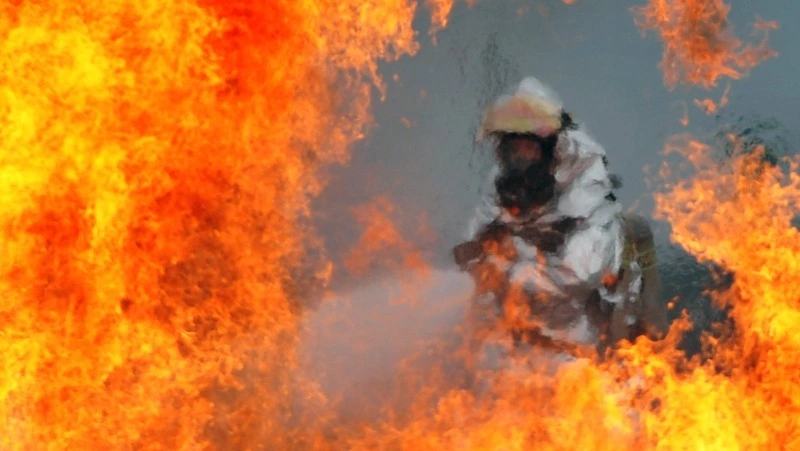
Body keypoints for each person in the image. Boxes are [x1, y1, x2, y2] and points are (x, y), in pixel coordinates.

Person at [454, 77, 668, 355]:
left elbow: (572, 282)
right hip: (516, 346)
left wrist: (500, 263)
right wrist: (475, 252)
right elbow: (475, 241)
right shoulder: (503, 183)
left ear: (551, 149)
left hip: (580, 356)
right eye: (512, 148)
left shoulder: (588, 197)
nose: (519, 158)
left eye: (528, 148)